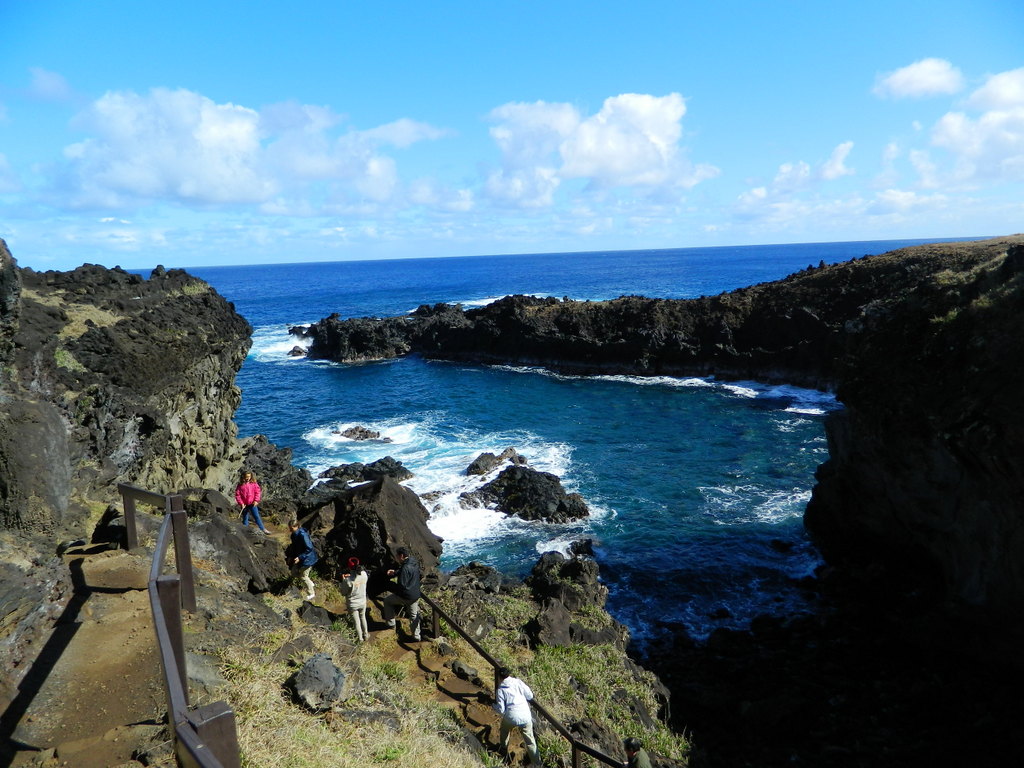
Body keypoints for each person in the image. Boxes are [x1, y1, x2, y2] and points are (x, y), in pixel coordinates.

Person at [494, 666, 539, 766]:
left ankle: (503, 749)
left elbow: (501, 710)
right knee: (530, 741)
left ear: (499, 677)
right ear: (508, 674)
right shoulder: (518, 682)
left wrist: (494, 706)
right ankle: (537, 763)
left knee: (505, 730)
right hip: (525, 715)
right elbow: (530, 696)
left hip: (511, 716)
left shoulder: (500, 690)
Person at [382, 546, 421, 641]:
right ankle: (416, 636)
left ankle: (391, 625)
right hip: (415, 595)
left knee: (387, 601)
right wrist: (395, 573)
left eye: (397, 556)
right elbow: (405, 571)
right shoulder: (413, 562)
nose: (396, 558)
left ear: (402, 556)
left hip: (406, 596)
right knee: (413, 616)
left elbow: (402, 585)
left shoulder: (405, 567)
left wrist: (391, 586)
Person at [287, 518, 318, 602]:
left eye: (291, 528)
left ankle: (311, 593)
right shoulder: (293, 535)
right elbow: (294, 547)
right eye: (289, 528)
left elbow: (309, 548)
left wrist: (300, 557)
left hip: (308, 559)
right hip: (300, 558)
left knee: (303, 576)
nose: (290, 530)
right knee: (294, 572)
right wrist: (291, 556)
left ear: (297, 526)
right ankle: (310, 584)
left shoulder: (302, 534)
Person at [341, 556, 369, 642]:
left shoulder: (348, 580)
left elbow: (343, 593)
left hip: (353, 604)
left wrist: (343, 580)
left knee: (357, 622)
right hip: (363, 602)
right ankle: (366, 635)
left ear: (349, 567)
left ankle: (360, 639)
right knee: (363, 617)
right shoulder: (364, 574)